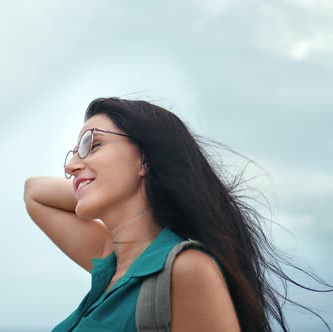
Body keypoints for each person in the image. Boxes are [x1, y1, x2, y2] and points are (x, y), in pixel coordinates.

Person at [23, 97, 332, 332]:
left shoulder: (184, 269)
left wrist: (103, 188)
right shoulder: (113, 263)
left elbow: (37, 194)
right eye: (75, 152)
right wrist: (96, 187)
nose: (70, 165)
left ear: (145, 159)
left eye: (93, 144)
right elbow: (33, 192)